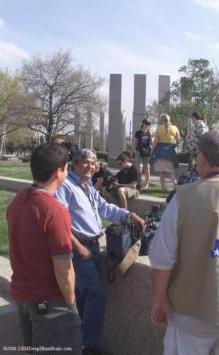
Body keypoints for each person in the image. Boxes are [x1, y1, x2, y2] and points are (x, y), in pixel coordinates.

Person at [150, 130, 219, 355]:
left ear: (201, 159)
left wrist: (159, 298)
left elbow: (162, 258)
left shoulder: (182, 198)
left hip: (189, 313)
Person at [55, 149, 144, 355]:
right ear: (75, 164)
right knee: (97, 295)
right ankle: (88, 345)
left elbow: (106, 209)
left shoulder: (88, 187)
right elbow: (59, 222)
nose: (90, 166)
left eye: (93, 163)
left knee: (84, 297)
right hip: (80, 250)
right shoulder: (66, 186)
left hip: (93, 247)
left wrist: (130, 215)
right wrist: (79, 246)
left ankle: (77, 341)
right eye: (85, 162)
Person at [6, 143, 82, 354]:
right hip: (51, 304)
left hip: (24, 298)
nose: (67, 171)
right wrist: (70, 304)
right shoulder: (55, 211)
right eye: (67, 167)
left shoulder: (17, 201)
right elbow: (64, 270)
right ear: (59, 172)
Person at [151, 114, 180, 192]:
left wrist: (152, 150)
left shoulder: (159, 128)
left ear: (162, 120)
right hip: (170, 152)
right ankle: (176, 187)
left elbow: (155, 142)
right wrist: (172, 147)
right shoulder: (175, 128)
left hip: (160, 152)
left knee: (161, 172)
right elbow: (178, 141)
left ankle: (163, 188)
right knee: (171, 173)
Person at [133, 118, 152, 190]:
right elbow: (135, 142)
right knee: (139, 168)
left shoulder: (149, 133)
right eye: (146, 124)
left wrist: (151, 151)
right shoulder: (138, 132)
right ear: (143, 124)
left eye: (148, 124)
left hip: (147, 153)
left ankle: (146, 184)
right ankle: (139, 183)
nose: (147, 125)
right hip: (139, 151)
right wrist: (133, 150)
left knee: (147, 168)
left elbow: (151, 144)